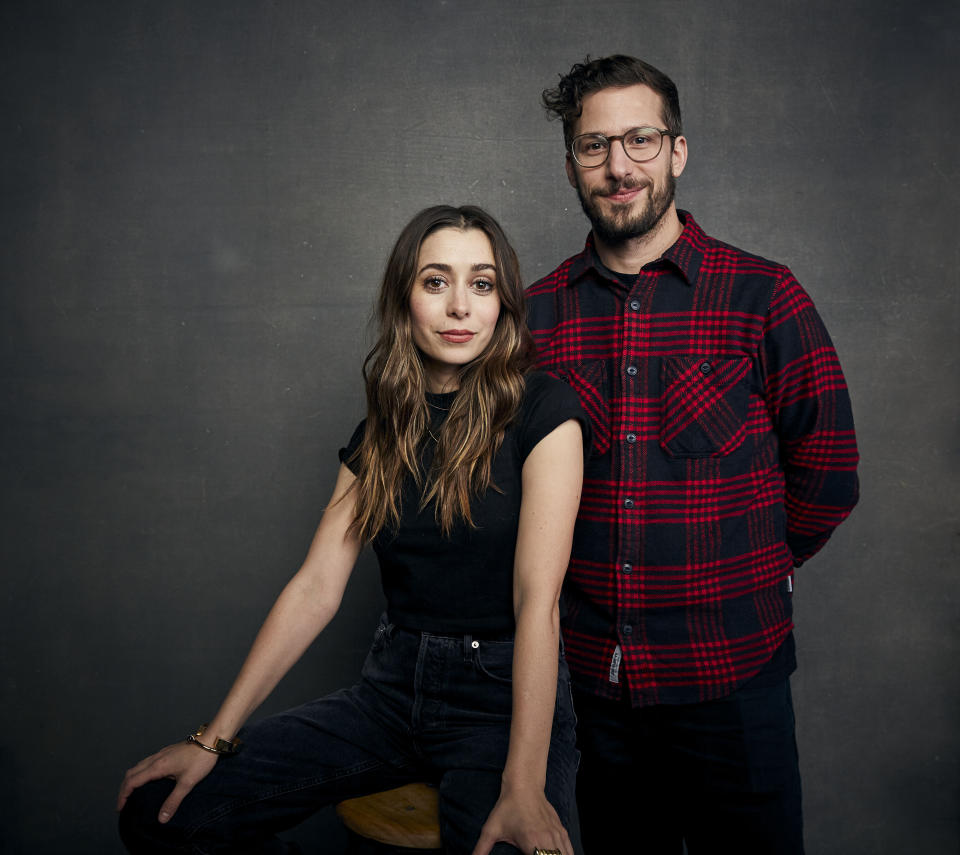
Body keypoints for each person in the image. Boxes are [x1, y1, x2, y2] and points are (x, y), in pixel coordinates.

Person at [117, 205, 589, 855]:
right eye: (435, 281)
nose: (459, 306)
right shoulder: (381, 433)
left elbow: (538, 605)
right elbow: (315, 588)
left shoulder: (545, 412)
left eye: (480, 284)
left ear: (503, 303)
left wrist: (524, 784)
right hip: (392, 692)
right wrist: (212, 737)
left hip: (502, 700)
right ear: (405, 299)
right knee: (162, 811)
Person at [527, 55, 860, 854]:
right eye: (594, 145)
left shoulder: (764, 296)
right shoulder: (536, 316)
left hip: (733, 681)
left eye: (640, 140)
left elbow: (829, 473)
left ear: (678, 151)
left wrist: (741, 573)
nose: (618, 166)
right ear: (571, 162)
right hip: (592, 693)